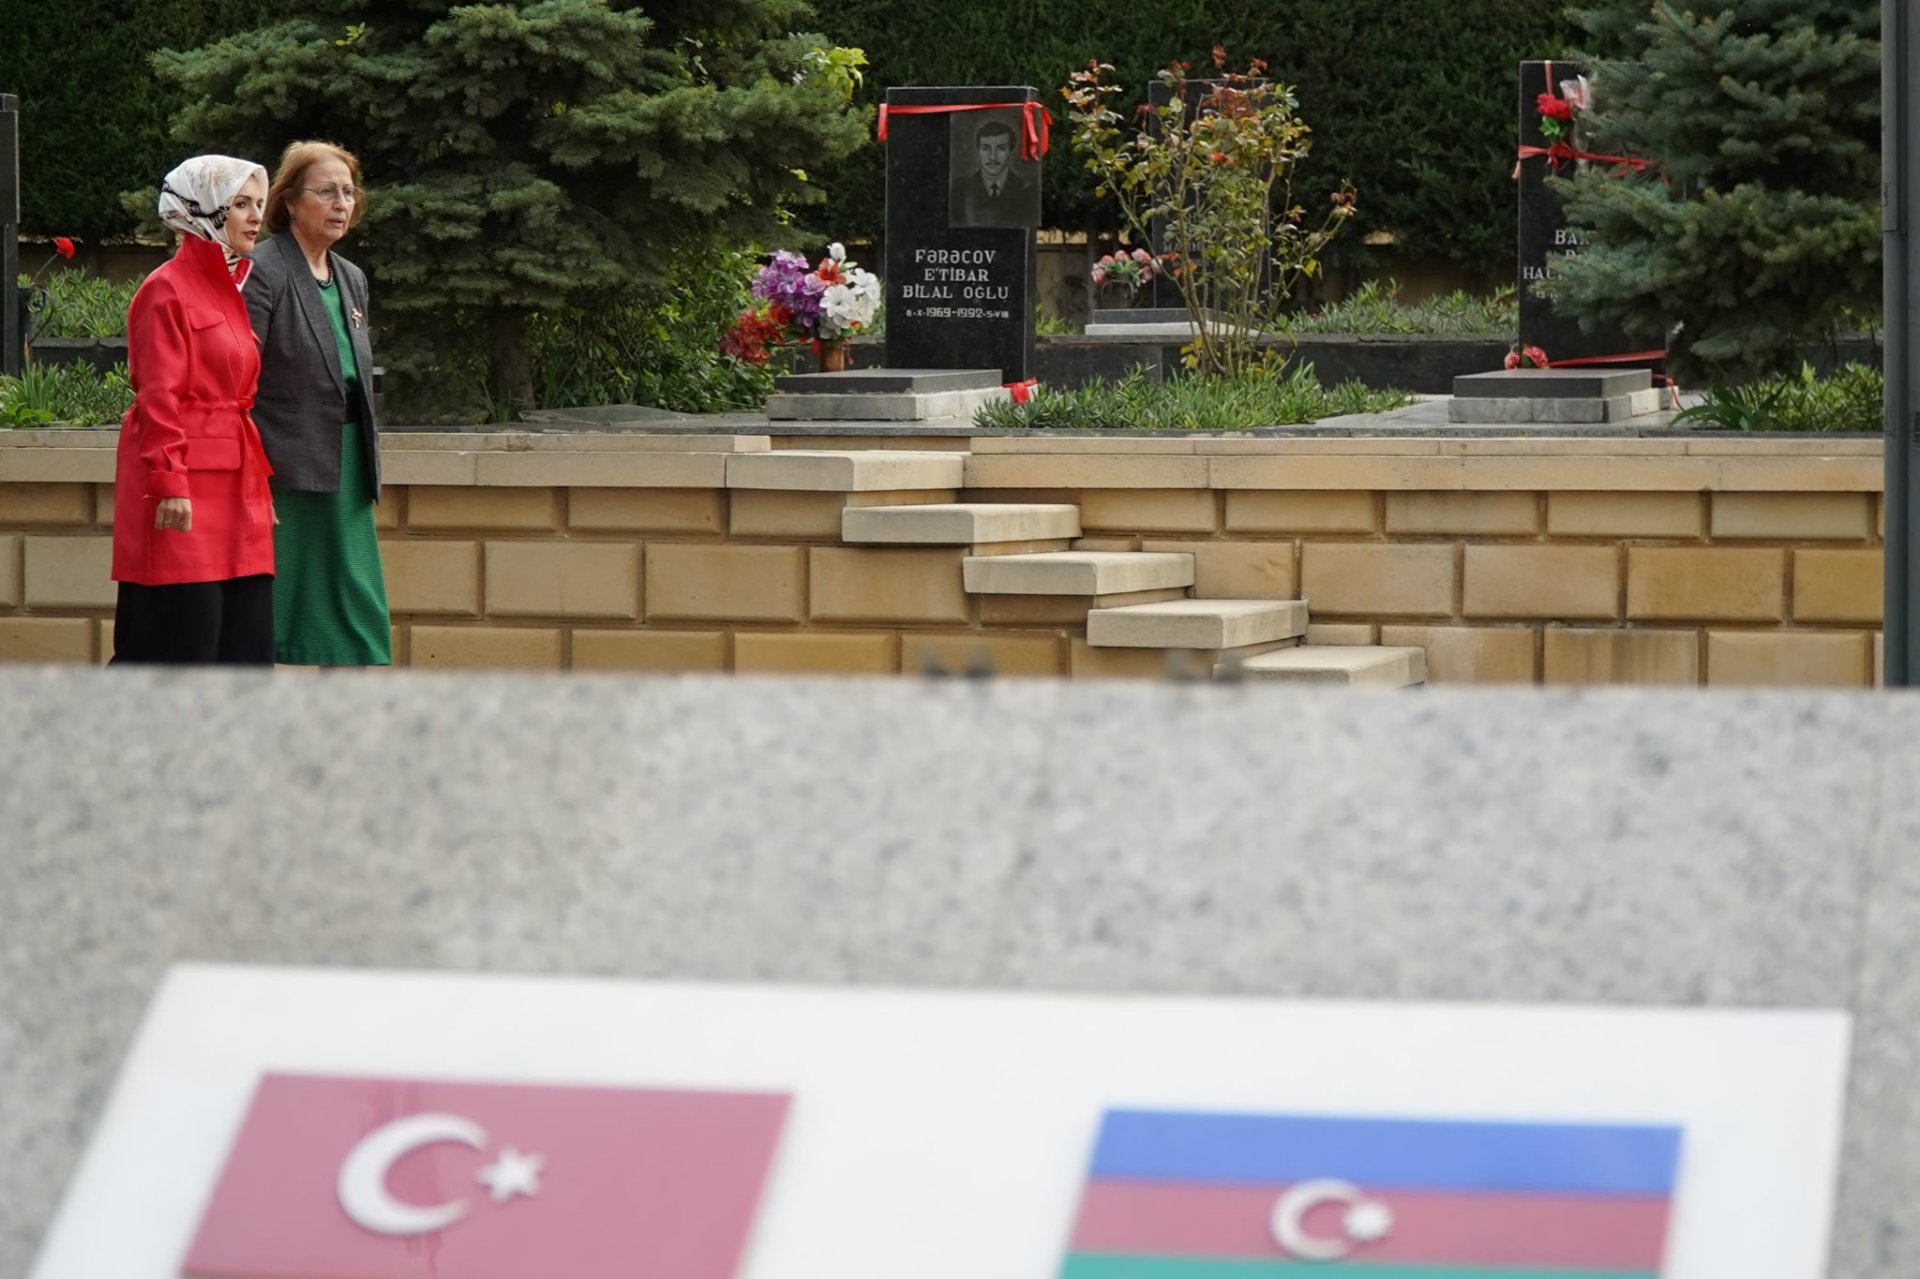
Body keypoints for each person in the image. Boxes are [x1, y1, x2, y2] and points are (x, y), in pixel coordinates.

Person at [110, 155, 276, 665]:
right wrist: (169, 481)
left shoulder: (231, 287)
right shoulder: (165, 288)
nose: (255, 216)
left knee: (246, 646)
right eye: (240, 204)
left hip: (237, 485)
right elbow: (158, 394)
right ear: (203, 209)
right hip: (184, 486)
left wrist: (259, 493)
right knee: (178, 644)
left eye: (259, 204)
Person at [245, 140, 391, 666]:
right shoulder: (262, 269)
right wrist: (253, 473)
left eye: (348, 193)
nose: (341, 204)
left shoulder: (351, 277)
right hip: (286, 462)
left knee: (355, 594)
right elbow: (241, 379)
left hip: (348, 455)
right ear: (289, 201)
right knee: (287, 599)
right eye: (327, 192)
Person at [953, 117, 1039, 228]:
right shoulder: (960, 188)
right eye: (985, 148)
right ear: (978, 151)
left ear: (1010, 151)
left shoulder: (1026, 189)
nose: (992, 157)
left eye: (1000, 148)